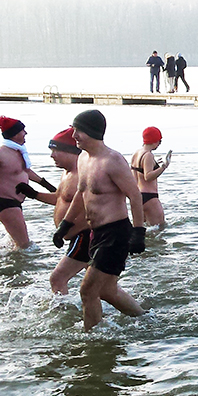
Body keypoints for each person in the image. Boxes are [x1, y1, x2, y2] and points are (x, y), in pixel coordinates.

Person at [55, 110, 147, 330]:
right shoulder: (83, 158)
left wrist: (138, 233)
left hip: (115, 233)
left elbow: (134, 195)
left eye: (78, 131)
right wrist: (65, 226)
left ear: (91, 132)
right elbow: (81, 193)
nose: (74, 135)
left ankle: (92, 338)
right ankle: (145, 319)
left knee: (87, 290)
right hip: (96, 233)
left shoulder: (112, 160)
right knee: (106, 290)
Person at [17, 128, 88, 294]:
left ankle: (61, 314)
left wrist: (67, 227)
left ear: (71, 152)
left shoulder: (83, 174)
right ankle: (137, 312)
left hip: (85, 236)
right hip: (76, 238)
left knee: (57, 279)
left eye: (56, 151)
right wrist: (34, 194)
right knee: (101, 286)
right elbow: (60, 199)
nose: (52, 155)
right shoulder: (66, 173)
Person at [0, 116, 57, 249]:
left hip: (16, 203)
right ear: (14, 134)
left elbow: (26, 171)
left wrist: (48, 186)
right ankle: (14, 267)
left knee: (17, 243)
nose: (26, 133)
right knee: (25, 245)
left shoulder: (19, 152)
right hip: (5, 203)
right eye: (22, 130)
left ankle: (1, 256)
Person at [129, 127, 172, 227]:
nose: (159, 144)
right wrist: (164, 166)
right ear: (154, 140)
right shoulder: (148, 155)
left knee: (144, 231)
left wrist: (156, 164)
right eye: (159, 141)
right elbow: (148, 176)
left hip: (138, 197)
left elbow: (135, 174)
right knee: (160, 228)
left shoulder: (136, 153)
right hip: (150, 197)